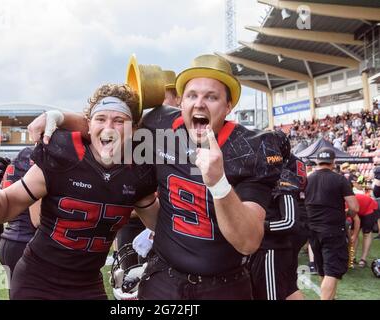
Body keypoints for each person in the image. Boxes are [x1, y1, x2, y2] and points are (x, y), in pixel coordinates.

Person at [28, 54, 284, 299]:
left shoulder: (250, 149)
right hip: (164, 279)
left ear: (228, 106)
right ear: (181, 102)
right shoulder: (161, 127)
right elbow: (111, 127)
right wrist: (59, 116)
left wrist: (219, 184)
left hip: (223, 285)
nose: (199, 103)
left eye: (211, 97)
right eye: (192, 95)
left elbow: (248, 242)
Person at [0, 84, 159, 300]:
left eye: (119, 121)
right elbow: (2, 209)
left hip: (88, 284)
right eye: (101, 119)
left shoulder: (138, 174)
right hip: (37, 281)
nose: (109, 127)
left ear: (134, 129)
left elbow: (162, 227)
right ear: (88, 125)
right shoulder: (63, 157)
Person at [249, 136, 305, 300]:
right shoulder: (273, 171)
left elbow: (290, 222)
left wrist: (258, 225)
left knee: (272, 294)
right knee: (285, 288)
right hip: (264, 247)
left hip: (273, 248)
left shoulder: (284, 178)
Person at [305, 147, 359, 300]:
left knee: (323, 270)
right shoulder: (340, 179)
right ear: (333, 162)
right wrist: (348, 214)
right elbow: (354, 207)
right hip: (333, 230)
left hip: (313, 230)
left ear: (317, 161)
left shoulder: (308, 178)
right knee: (332, 271)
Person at [0, 146, 40, 279]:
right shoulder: (36, 161)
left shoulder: (19, 159)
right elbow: (37, 220)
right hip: (25, 242)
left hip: (8, 239)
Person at [348, 193, 378, 267]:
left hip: (369, 207)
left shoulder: (346, 206)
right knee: (352, 232)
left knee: (366, 233)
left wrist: (355, 235)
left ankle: (363, 259)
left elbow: (357, 221)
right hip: (357, 209)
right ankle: (352, 258)